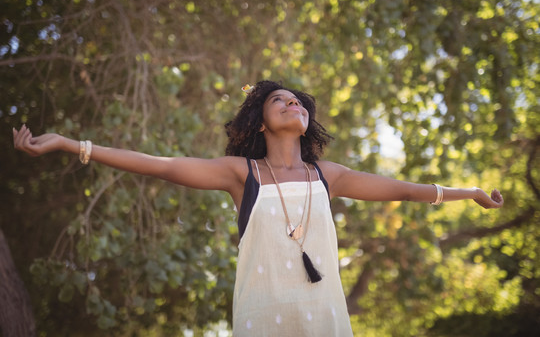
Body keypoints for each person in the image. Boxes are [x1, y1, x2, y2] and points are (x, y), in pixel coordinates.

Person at [13, 80, 504, 336]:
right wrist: (71, 145)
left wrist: (469, 194)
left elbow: (403, 189)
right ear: (263, 123)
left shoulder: (326, 176)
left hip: (328, 322)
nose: (293, 104)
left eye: (298, 102)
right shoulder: (240, 175)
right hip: (262, 323)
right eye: (280, 101)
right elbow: (158, 165)